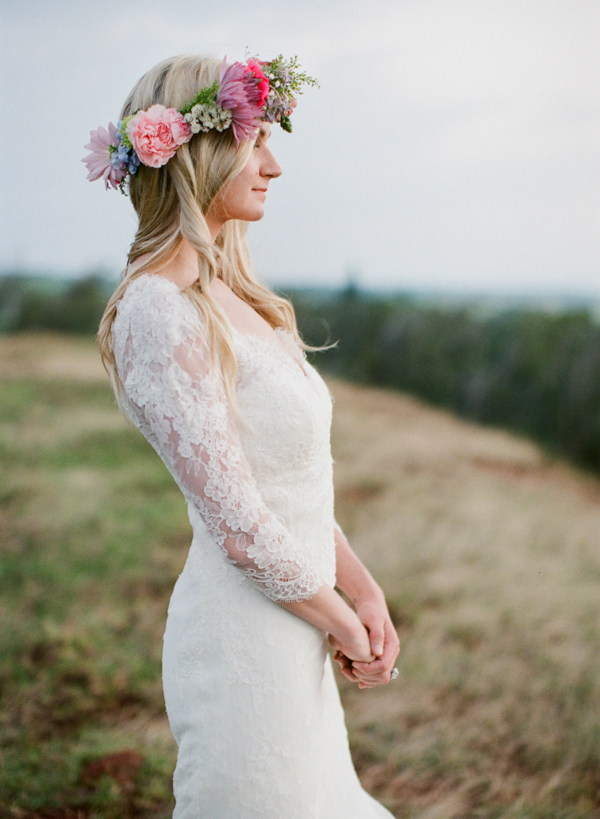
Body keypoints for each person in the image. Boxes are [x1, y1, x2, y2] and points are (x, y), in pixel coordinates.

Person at [87, 53, 400, 818]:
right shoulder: (157, 311)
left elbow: (285, 487)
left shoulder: (230, 294)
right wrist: (344, 624)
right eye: (255, 141)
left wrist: (364, 589)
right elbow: (240, 523)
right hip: (246, 647)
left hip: (297, 627)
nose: (274, 165)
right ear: (198, 152)